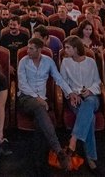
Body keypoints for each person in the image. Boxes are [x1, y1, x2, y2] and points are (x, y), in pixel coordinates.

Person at [17, 37, 73, 171]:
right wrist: (38, 98)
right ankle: (58, 150)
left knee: (39, 121)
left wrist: (70, 93)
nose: (27, 51)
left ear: (39, 50)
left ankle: (39, 162)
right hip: (26, 98)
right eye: (27, 47)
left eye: (31, 49)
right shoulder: (23, 62)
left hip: (42, 101)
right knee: (39, 106)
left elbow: (58, 78)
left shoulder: (48, 61)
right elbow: (22, 84)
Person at [60, 36, 101, 172]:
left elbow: (97, 82)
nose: (65, 50)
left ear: (76, 48)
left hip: (91, 96)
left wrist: (89, 91)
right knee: (91, 118)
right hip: (74, 97)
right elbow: (63, 82)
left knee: (89, 103)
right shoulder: (65, 62)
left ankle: (73, 140)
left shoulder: (90, 62)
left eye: (68, 48)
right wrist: (71, 94)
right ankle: (90, 156)